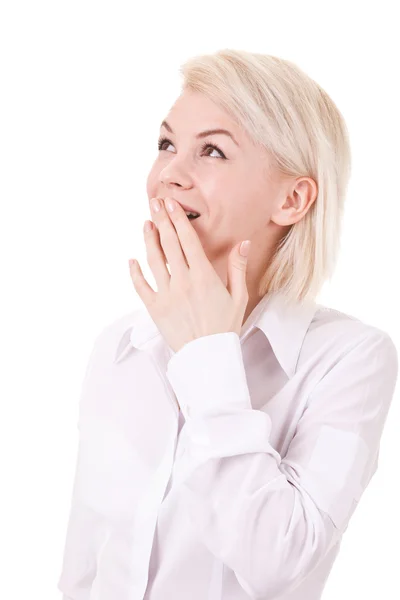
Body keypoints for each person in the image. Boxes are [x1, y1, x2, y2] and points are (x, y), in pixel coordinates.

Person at [57, 48, 398, 600]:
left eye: (211, 151)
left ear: (292, 198)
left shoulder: (353, 358)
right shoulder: (119, 347)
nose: (169, 174)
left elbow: (278, 560)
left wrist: (207, 356)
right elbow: (84, 568)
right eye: (166, 144)